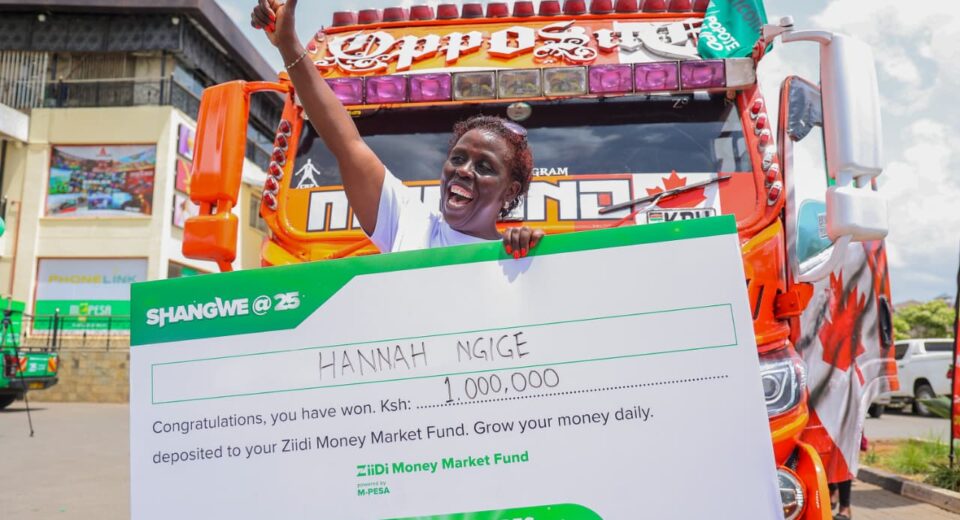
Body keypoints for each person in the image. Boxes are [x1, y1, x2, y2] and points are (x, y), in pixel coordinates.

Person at [250, 0, 543, 257]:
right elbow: (346, 143)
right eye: (457, 158)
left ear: (510, 191)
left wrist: (536, 256)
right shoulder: (409, 224)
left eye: (485, 166)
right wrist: (288, 44)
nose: (464, 170)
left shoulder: (518, 255)